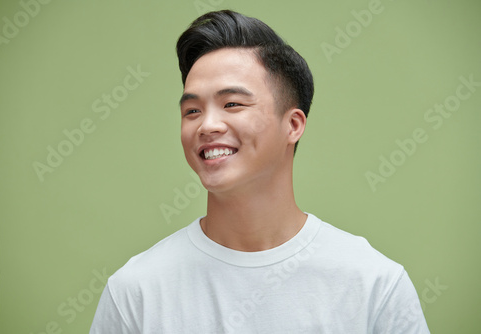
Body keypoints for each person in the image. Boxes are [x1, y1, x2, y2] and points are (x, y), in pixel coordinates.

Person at [90, 10, 429, 333]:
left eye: (232, 104)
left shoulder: (373, 284)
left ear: (293, 125)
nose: (207, 125)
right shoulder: (135, 292)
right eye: (192, 110)